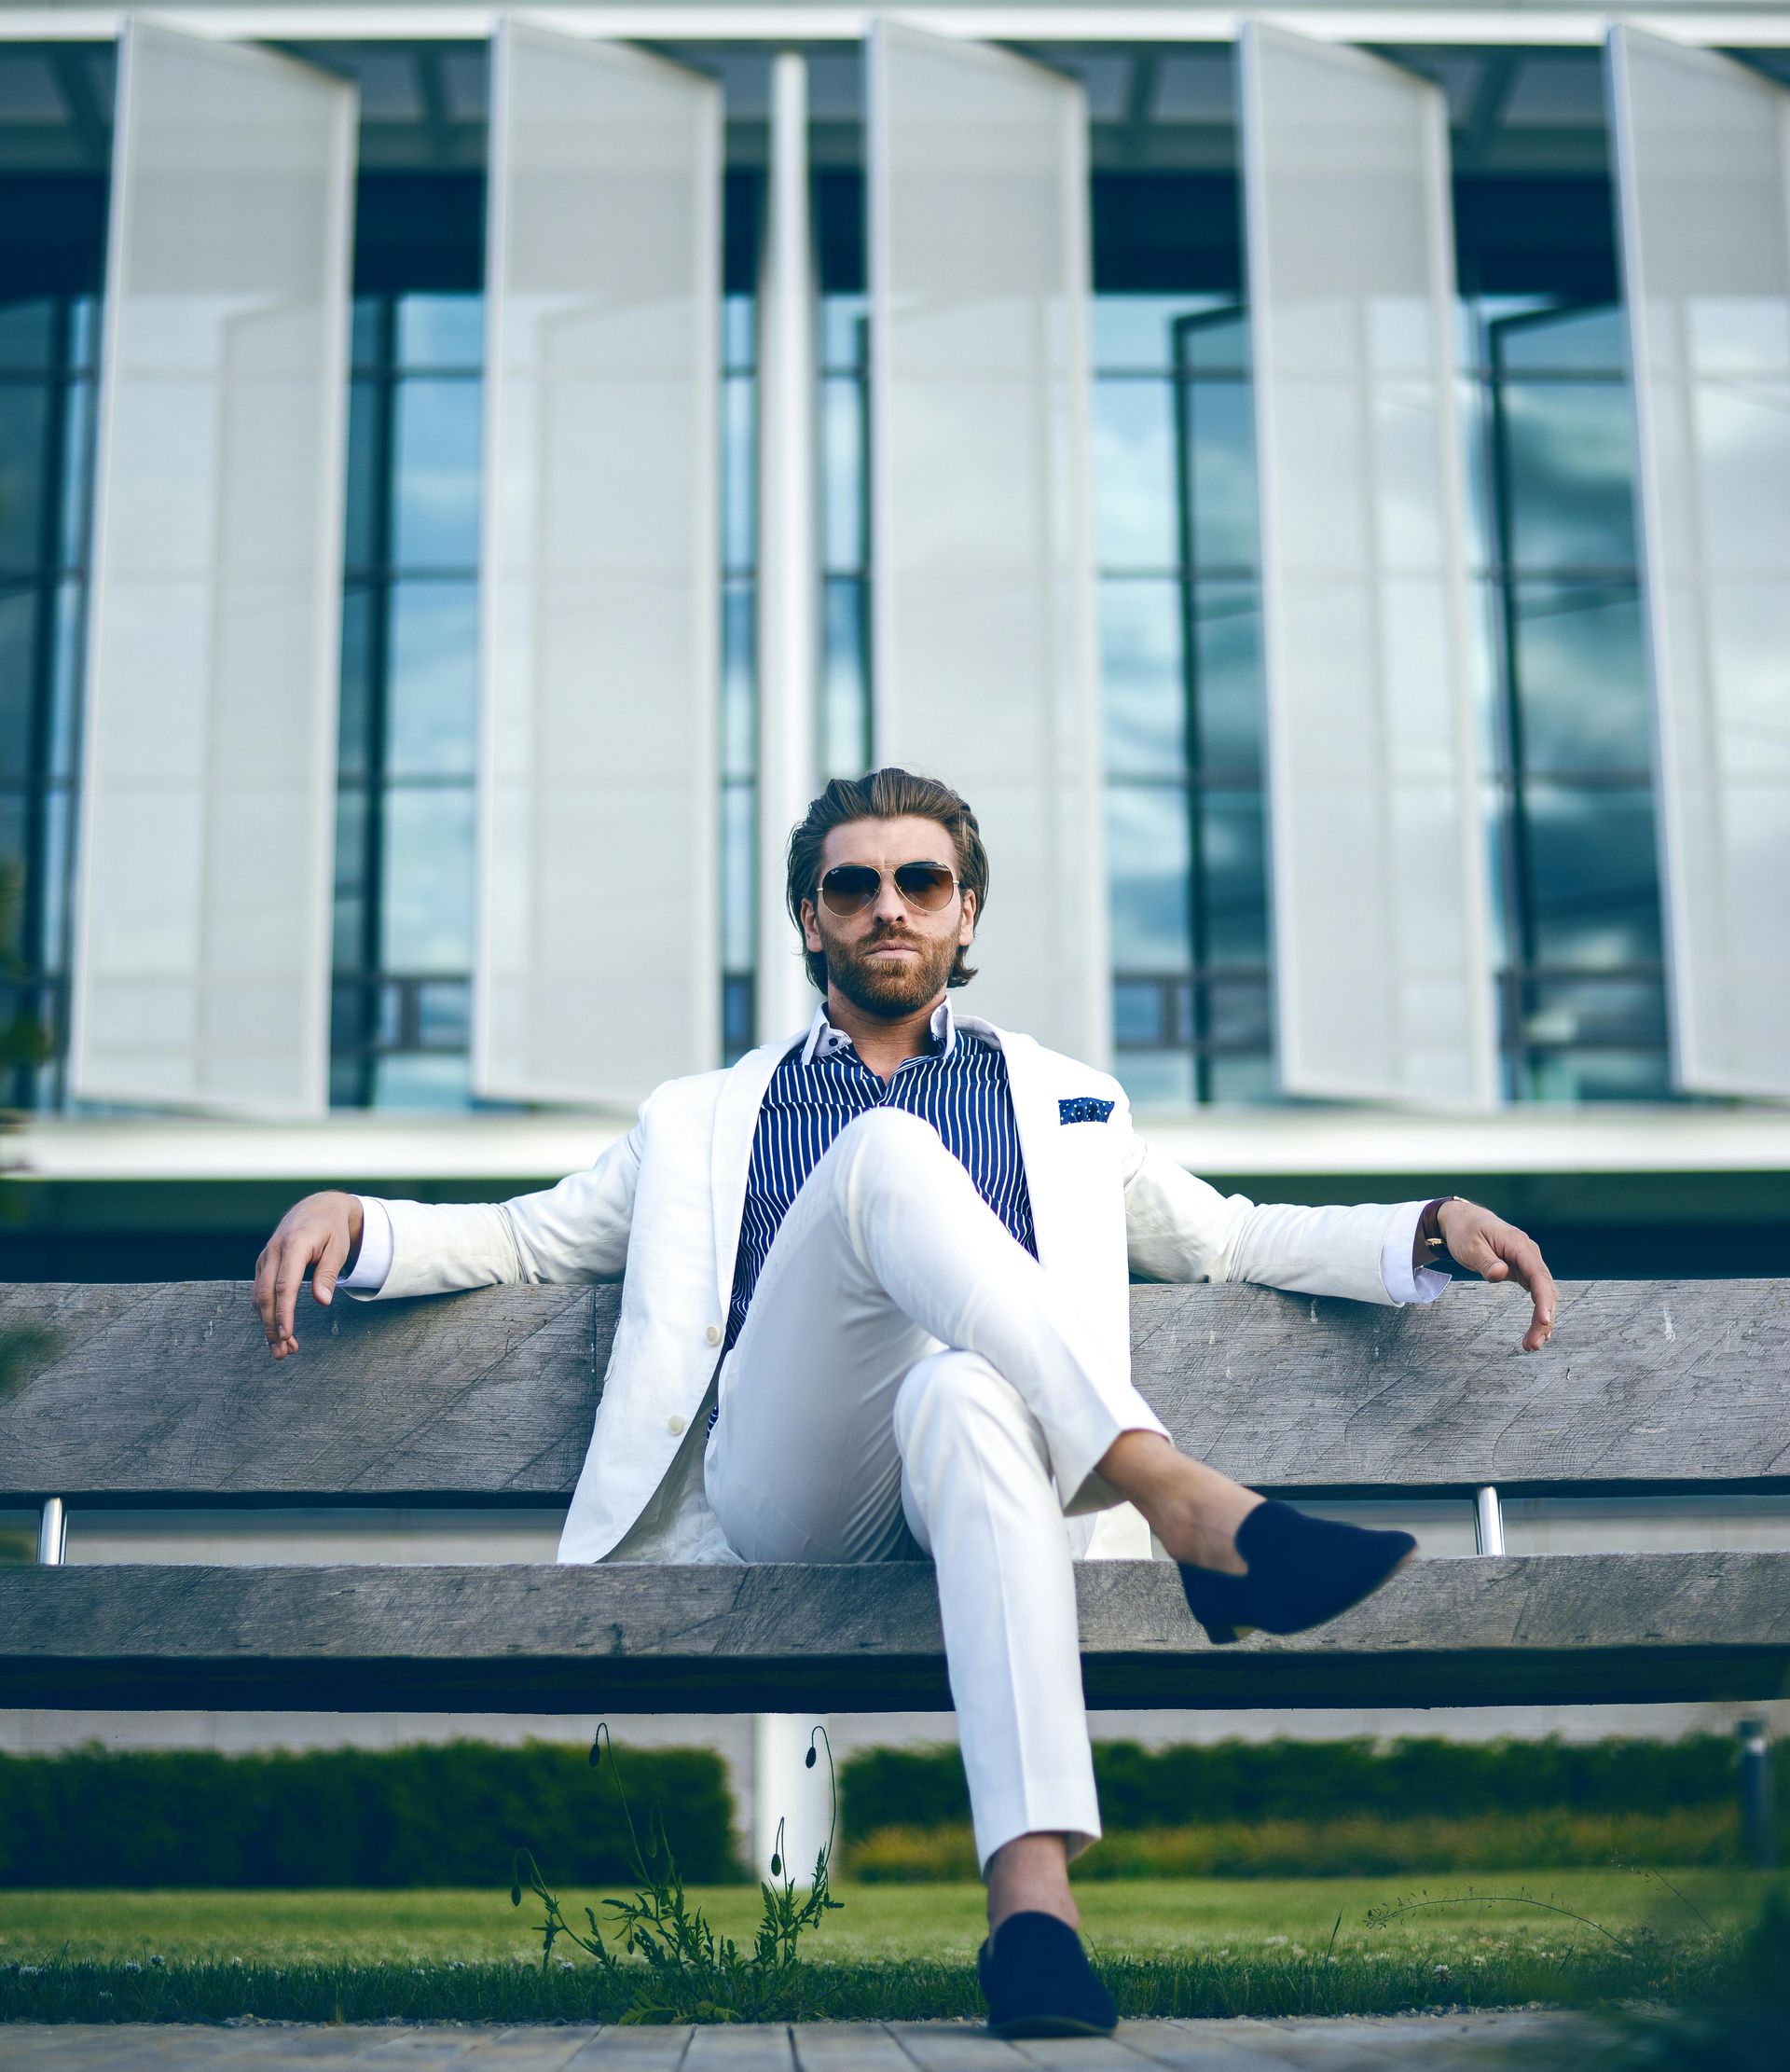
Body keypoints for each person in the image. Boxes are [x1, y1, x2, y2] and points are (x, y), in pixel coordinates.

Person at [253, 767, 1557, 2037]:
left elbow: (1230, 1239)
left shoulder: (1068, 1103)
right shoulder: (705, 1117)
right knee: (882, 1149)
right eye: (855, 883)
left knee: (963, 1389)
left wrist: (1425, 1228)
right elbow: (532, 1241)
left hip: (986, 1466)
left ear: (965, 912)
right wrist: (356, 1218)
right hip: (792, 1484)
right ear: (811, 917)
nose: (890, 904)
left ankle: (1033, 1915)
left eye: (922, 880)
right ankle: (1180, 1496)